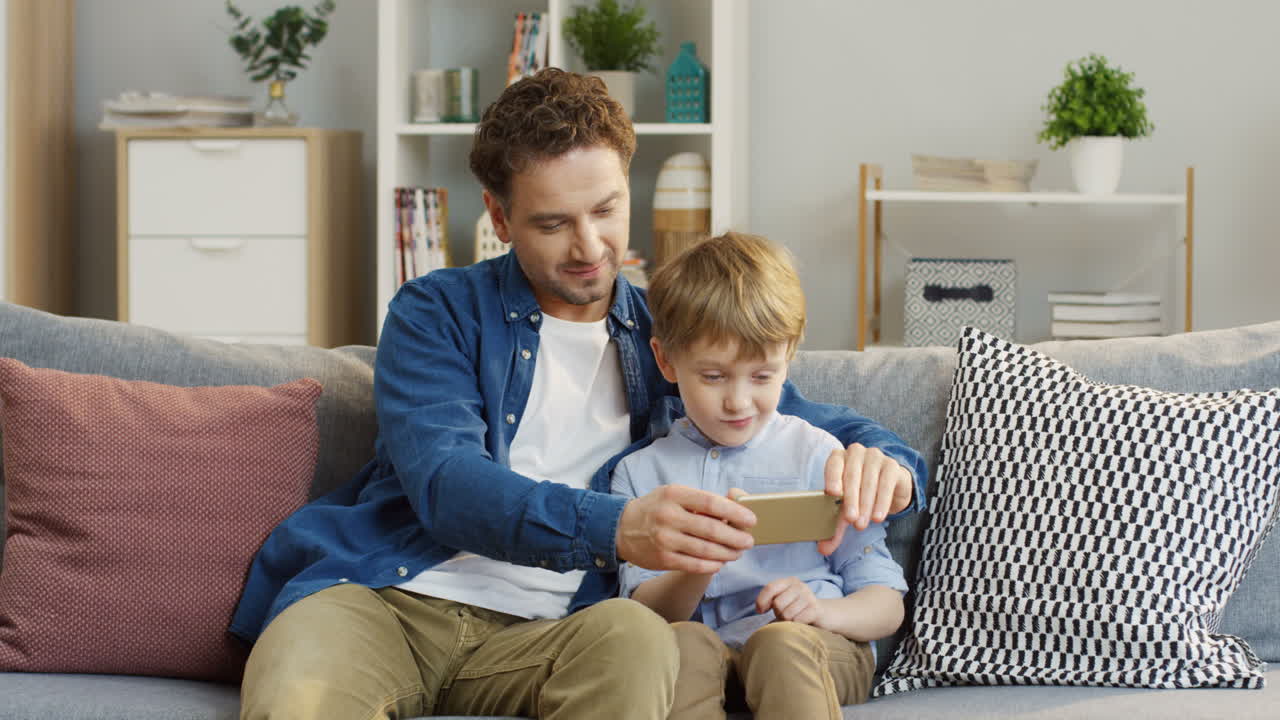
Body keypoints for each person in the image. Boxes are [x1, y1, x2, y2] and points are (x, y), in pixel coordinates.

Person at [229, 68, 926, 720]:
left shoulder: (673, 333)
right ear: (500, 219)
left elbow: (792, 413)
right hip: (387, 598)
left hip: (560, 633)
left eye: (606, 208)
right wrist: (618, 527)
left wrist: (887, 461)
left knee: (641, 638)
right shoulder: (436, 311)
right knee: (300, 694)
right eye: (553, 223)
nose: (590, 246)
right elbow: (446, 484)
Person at [612, 231, 910, 720]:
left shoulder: (820, 456)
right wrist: (700, 560)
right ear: (666, 360)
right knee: (679, 643)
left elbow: (886, 604)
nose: (738, 401)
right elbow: (648, 618)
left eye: (762, 376)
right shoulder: (640, 473)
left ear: (788, 357)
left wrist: (821, 613)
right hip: (709, 653)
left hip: (818, 646)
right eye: (713, 377)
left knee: (780, 645)